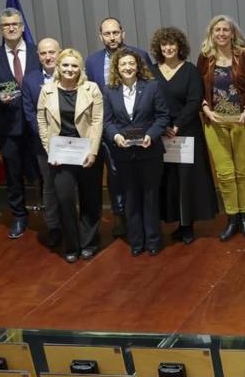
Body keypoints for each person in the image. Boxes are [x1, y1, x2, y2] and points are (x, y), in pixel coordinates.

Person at [198, 14, 245, 241]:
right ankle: (231, 217)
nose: (222, 34)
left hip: (243, 121)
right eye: (217, 30)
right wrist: (206, 110)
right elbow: (199, 91)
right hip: (214, 123)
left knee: (242, 171)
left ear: (232, 33)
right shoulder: (205, 58)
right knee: (224, 173)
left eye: (226, 30)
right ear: (211, 34)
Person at [85, 17, 151, 239]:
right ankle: (120, 216)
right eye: (107, 33)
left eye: (115, 32)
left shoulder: (140, 55)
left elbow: (151, 87)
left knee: (140, 174)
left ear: (123, 33)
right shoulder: (92, 62)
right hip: (108, 126)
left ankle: (143, 217)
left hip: (139, 128)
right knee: (114, 174)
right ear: (101, 36)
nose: (112, 37)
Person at [151, 27, 218, 244]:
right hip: (161, 133)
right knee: (168, 179)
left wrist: (177, 125)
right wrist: (163, 127)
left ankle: (187, 225)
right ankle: (173, 221)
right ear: (159, 48)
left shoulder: (190, 70)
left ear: (179, 46)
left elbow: (194, 100)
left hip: (187, 132)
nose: (168, 48)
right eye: (164, 44)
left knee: (187, 179)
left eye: (172, 44)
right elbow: (149, 101)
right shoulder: (152, 72)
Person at [37, 48, 103, 262]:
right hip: (60, 155)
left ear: (81, 68)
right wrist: (49, 150)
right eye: (65, 65)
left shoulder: (92, 89)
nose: (69, 69)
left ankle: (89, 242)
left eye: (74, 65)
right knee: (65, 199)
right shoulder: (46, 90)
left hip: (87, 153)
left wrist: (93, 152)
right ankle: (72, 245)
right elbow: (42, 121)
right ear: (58, 67)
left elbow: (96, 122)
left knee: (90, 198)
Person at [103, 48, 170, 256]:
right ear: (116, 68)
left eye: (131, 63)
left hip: (150, 152)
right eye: (123, 64)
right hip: (123, 153)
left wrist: (151, 135)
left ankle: (153, 240)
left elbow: (162, 117)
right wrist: (116, 136)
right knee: (131, 197)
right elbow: (107, 122)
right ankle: (136, 241)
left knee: (150, 196)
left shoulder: (152, 87)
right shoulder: (109, 90)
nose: (127, 67)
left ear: (138, 66)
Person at [0, 7, 41, 239]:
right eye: (6, 25)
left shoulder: (38, 53)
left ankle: (51, 215)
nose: (12, 28)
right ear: (1, 29)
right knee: (14, 174)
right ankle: (19, 216)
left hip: (38, 124)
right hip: (9, 124)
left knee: (44, 170)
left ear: (23, 26)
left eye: (15, 24)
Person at [23, 37, 63, 247]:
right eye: (43, 53)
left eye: (52, 52)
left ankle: (72, 222)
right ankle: (54, 225)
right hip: (44, 145)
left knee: (71, 185)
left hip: (71, 143)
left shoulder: (72, 74)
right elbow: (30, 115)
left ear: (60, 52)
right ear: (38, 56)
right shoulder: (29, 80)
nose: (48, 57)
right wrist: (48, 140)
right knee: (49, 186)